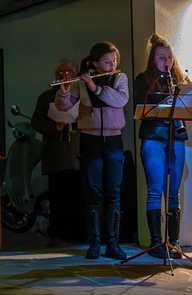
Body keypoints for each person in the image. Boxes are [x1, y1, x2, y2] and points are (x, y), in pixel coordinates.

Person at [55, 42, 129, 260]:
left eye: (114, 60)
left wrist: (96, 89)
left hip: (114, 140)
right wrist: (64, 92)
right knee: (93, 193)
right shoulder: (82, 79)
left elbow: (120, 100)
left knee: (113, 192)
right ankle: (95, 242)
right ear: (95, 63)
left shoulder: (119, 78)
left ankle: (113, 243)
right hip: (90, 139)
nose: (112, 64)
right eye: (106, 61)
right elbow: (64, 109)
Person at [134, 33, 187, 259]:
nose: (166, 61)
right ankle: (156, 244)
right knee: (156, 191)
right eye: (161, 57)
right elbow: (138, 105)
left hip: (176, 138)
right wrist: (161, 99)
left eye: (169, 57)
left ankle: (173, 243)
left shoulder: (178, 81)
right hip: (153, 138)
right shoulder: (143, 80)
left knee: (173, 193)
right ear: (153, 60)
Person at [31, 59, 83, 246]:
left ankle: (77, 235)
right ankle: (57, 234)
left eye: (67, 71)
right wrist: (55, 126)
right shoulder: (46, 97)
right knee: (58, 195)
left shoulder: (82, 94)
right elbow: (36, 122)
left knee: (77, 194)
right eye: (60, 71)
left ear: (75, 74)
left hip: (78, 151)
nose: (63, 75)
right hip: (56, 151)